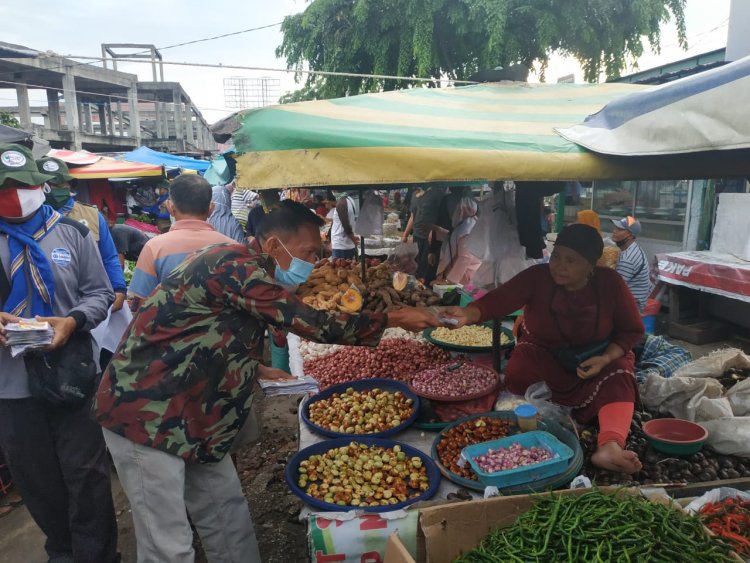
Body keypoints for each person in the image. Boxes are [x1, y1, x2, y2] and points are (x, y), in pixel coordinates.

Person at [94, 200, 438, 562]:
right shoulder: (234, 266)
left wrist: (254, 367)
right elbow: (311, 322)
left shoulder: (241, 265)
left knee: (226, 511)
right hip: (142, 412)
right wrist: (393, 318)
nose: (312, 262)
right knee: (168, 543)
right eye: (308, 252)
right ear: (274, 245)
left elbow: (200, 327)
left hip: (194, 412)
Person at [444, 224, 645, 474]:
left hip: (594, 360)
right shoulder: (537, 277)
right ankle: (544, 417)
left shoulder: (610, 283)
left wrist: (605, 358)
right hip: (545, 354)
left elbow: (632, 331)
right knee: (518, 369)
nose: (559, 265)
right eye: (557, 255)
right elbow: (498, 300)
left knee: (621, 373)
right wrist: (467, 313)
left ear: (591, 265)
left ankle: (610, 446)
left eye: (571, 260)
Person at [0, 144, 118, 562]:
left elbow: (101, 292)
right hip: (11, 385)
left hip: (72, 373)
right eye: (3, 186)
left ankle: (98, 555)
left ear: (40, 185)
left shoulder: (74, 233)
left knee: (86, 473)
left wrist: (72, 321)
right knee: (36, 480)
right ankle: (62, 551)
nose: (13, 194)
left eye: (20, 184)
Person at [128, 175, 236, 312]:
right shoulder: (233, 247)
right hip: (222, 332)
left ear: (170, 208)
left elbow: (142, 304)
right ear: (211, 209)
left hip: (169, 331)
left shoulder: (154, 248)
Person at [38, 156, 127, 313]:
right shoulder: (29, 218)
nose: (52, 190)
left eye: (58, 184)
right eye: (47, 185)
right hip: (45, 301)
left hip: (88, 301)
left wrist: (118, 287)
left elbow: (108, 257)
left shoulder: (91, 214)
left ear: (69, 185)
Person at [435, 196, 481, 286]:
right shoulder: (467, 224)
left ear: (462, 211)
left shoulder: (467, 230)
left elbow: (464, 259)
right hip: (460, 273)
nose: (454, 213)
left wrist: (449, 281)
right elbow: (454, 240)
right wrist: (437, 229)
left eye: (457, 209)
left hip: (464, 276)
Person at [611, 216, 651, 311]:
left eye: (619, 229)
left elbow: (614, 288)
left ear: (630, 235)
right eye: (615, 228)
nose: (614, 231)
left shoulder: (627, 260)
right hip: (629, 301)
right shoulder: (632, 248)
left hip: (631, 308)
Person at [330, 192, 359, 259]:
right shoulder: (350, 200)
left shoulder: (341, 203)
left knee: (340, 268)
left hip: (341, 244)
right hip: (346, 243)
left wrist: (353, 239)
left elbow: (345, 225)